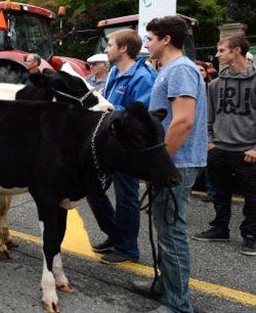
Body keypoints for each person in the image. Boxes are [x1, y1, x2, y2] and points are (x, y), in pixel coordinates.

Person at [134, 16, 208, 313]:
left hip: (177, 162)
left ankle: (177, 304)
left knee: (171, 232)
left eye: (150, 38)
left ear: (166, 40)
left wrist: (159, 163)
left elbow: (183, 121)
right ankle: (167, 286)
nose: (146, 44)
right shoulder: (173, 70)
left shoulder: (179, 70)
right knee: (164, 228)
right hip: (175, 161)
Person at [86, 29, 157, 265]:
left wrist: (111, 110)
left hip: (127, 148)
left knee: (127, 197)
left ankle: (128, 248)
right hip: (109, 143)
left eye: (110, 44)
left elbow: (139, 117)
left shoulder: (144, 77)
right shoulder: (115, 71)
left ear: (124, 48)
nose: (107, 49)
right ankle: (116, 234)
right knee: (92, 188)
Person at [193, 35, 256, 256]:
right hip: (219, 148)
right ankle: (220, 228)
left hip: (247, 150)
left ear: (236, 50)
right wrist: (210, 141)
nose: (217, 55)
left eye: (221, 50)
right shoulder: (216, 84)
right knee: (220, 192)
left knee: (252, 196)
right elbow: (209, 115)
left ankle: (251, 235)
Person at [194, 60, 216, 203]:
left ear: (206, 72)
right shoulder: (189, 88)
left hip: (208, 130)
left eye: (201, 70)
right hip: (193, 129)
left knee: (208, 163)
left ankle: (211, 190)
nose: (199, 73)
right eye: (196, 70)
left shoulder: (211, 88)